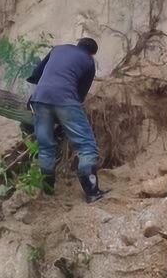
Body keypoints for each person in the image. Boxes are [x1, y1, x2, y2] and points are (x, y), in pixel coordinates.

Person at [26, 37, 109, 203]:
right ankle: (92, 192)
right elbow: (80, 95)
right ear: (92, 53)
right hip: (65, 101)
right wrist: (65, 114)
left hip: (39, 99)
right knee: (86, 146)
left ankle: (48, 191)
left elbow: (36, 74)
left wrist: (45, 90)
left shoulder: (58, 49)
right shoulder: (88, 62)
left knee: (45, 147)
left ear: (77, 44)